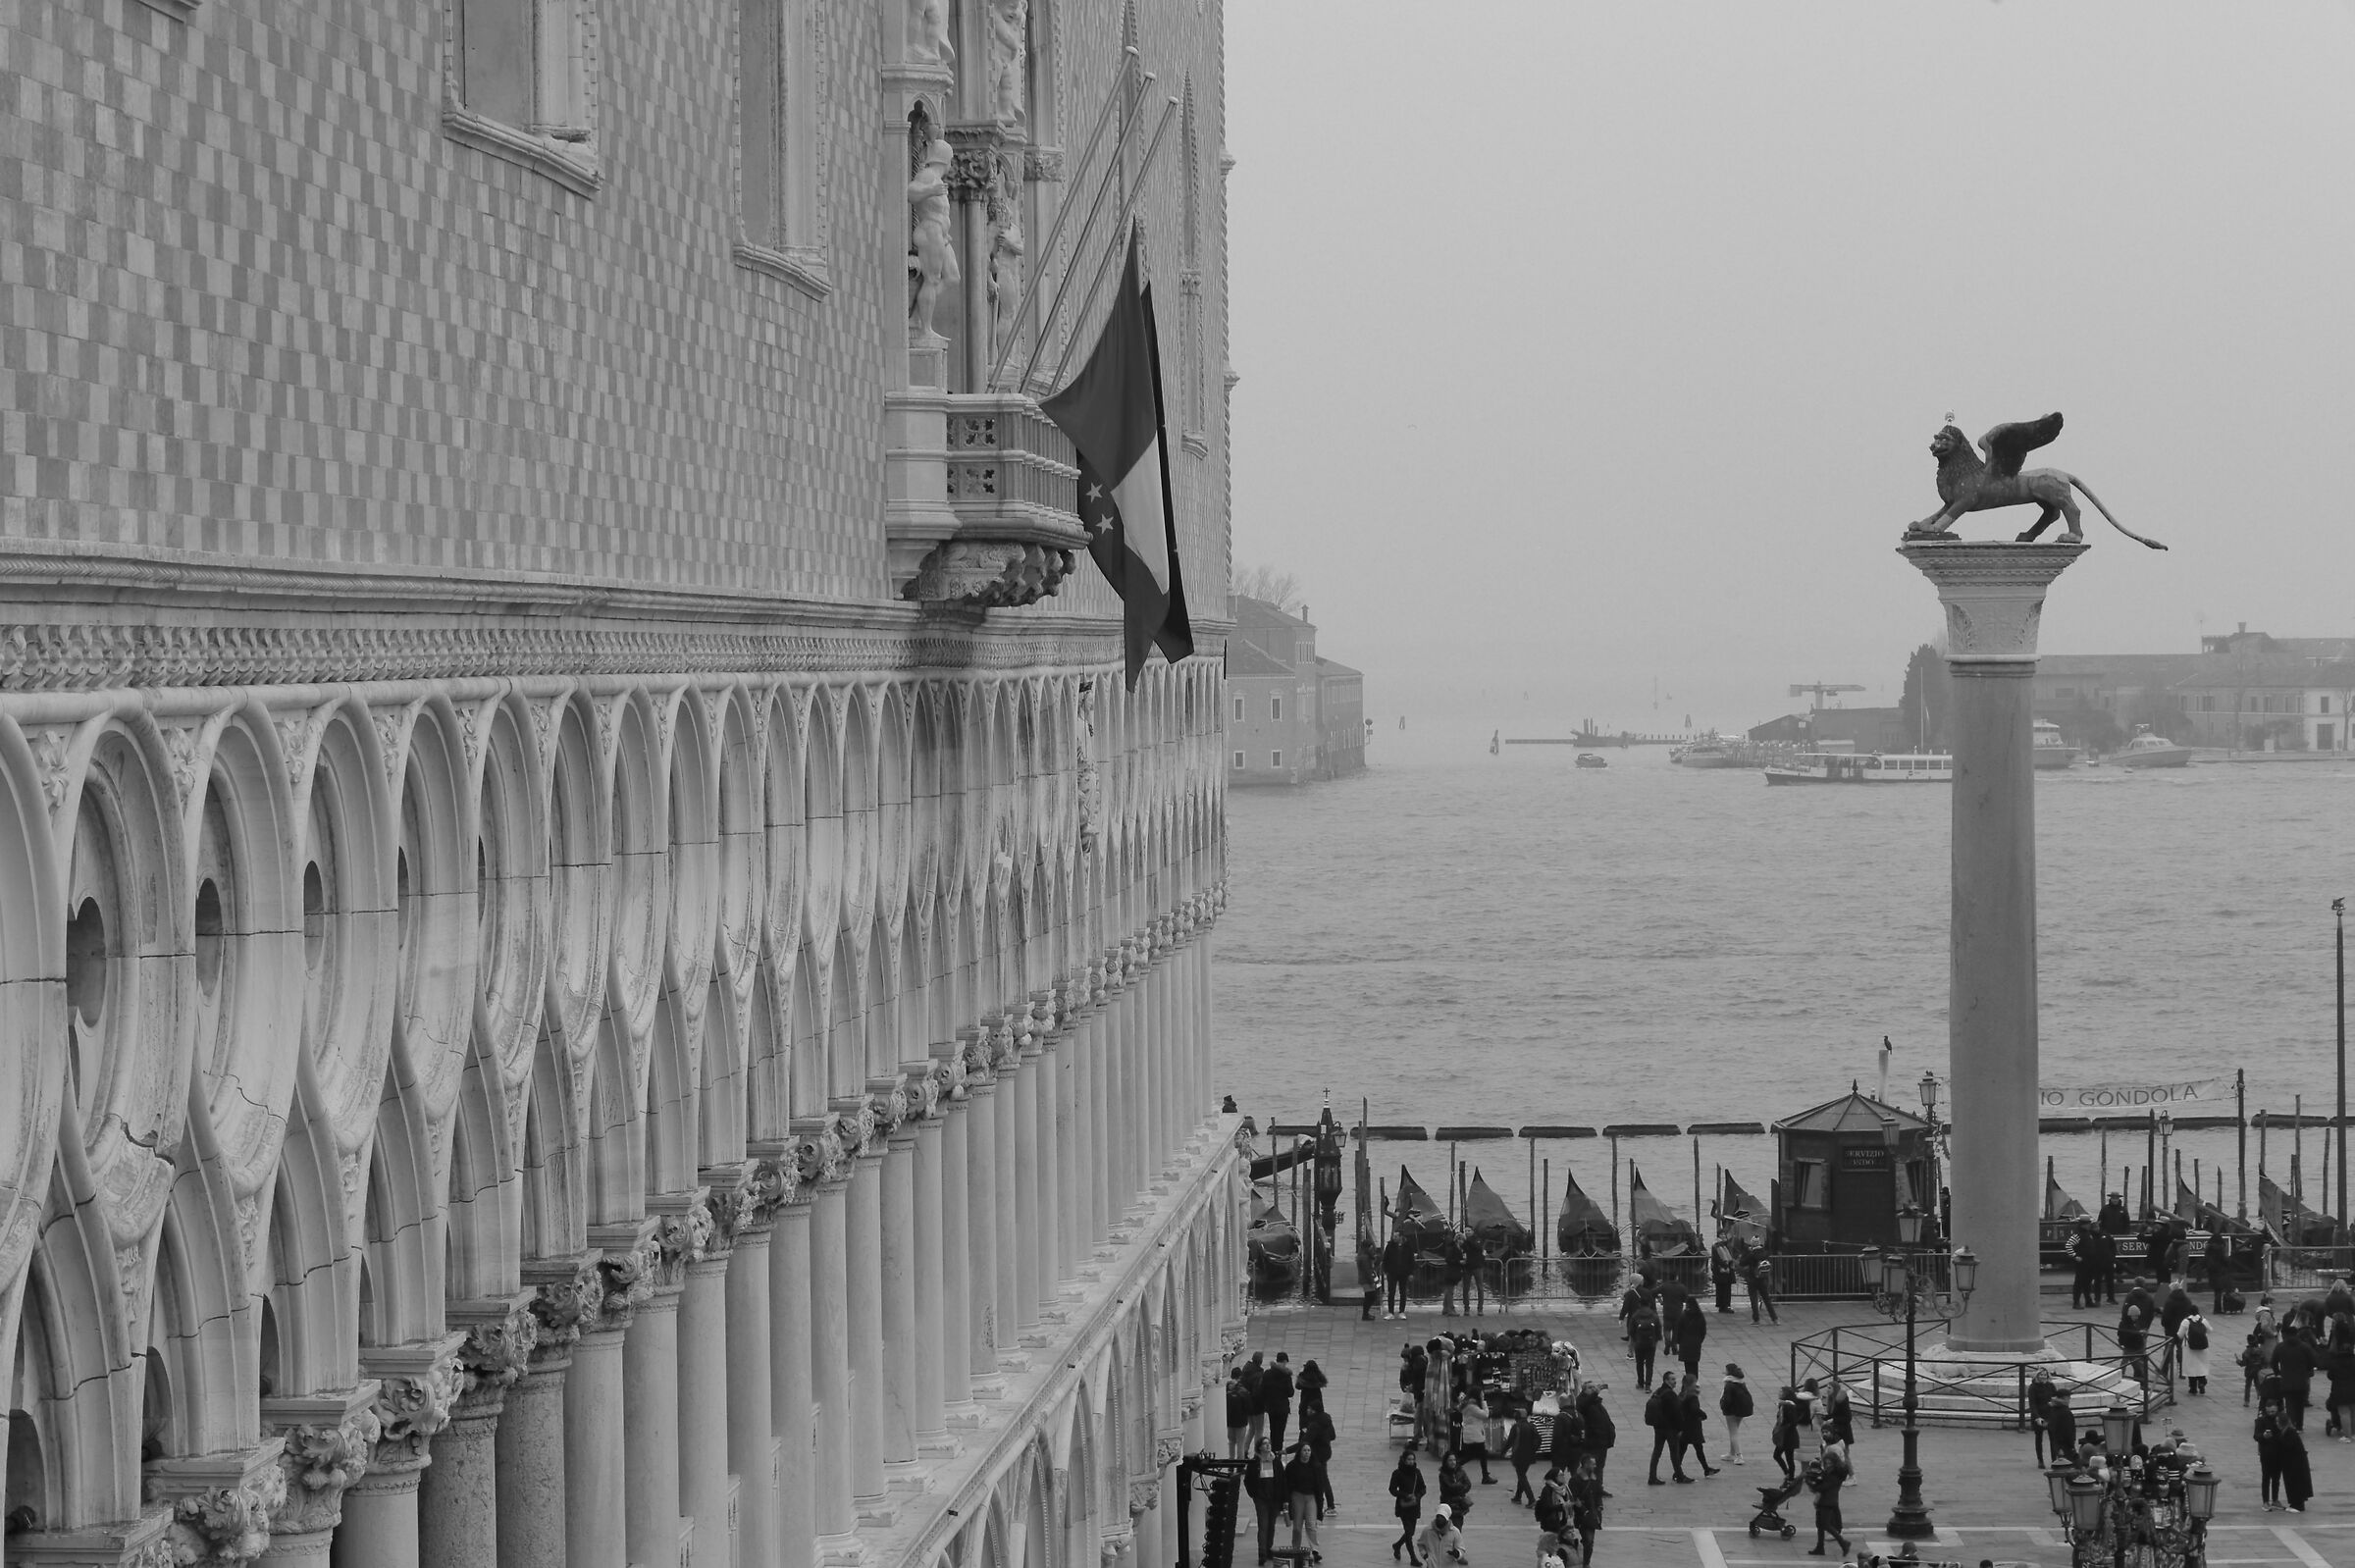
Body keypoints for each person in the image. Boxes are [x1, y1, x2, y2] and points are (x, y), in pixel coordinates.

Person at [1805, 1444, 1851, 1558]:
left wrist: (1812, 1484)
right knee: (1820, 1525)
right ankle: (1820, 1547)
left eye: (1830, 1462)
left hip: (1828, 1502)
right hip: (1825, 1501)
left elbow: (1823, 1487)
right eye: (1826, 1462)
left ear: (1834, 1463)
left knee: (1826, 1525)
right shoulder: (1830, 1472)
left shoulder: (1834, 1475)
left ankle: (1843, 1543)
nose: (1828, 1464)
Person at [1645, 1373, 1690, 1485]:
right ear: (1666, 1380)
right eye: (1672, 1379)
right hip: (1670, 1428)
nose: (1675, 1381)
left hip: (1658, 1427)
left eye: (1675, 1379)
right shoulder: (1670, 1394)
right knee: (1674, 1453)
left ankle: (1652, 1477)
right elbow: (1677, 1413)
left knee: (1657, 1452)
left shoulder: (1658, 1391)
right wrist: (1681, 1428)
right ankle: (1680, 1476)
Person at [1245, 1437, 1283, 1566]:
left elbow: (1282, 1480)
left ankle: (1268, 1549)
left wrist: (1283, 1498)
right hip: (1261, 1499)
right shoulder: (1254, 1463)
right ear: (1259, 1447)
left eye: (1269, 1443)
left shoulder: (1276, 1462)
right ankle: (1262, 1553)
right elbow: (1248, 1480)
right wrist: (1254, 1494)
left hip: (1274, 1499)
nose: (1268, 1446)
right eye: (1265, 1444)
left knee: (1271, 1525)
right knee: (1263, 1525)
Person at [1283, 1442, 1322, 1563]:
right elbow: (1286, 1484)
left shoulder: (1316, 1466)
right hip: (1297, 1496)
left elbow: (1319, 1486)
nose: (1306, 1453)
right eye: (1304, 1450)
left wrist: (1320, 1503)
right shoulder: (1292, 1466)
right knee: (1297, 1527)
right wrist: (1286, 1500)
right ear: (1300, 1452)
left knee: (1311, 1524)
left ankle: (1315, 1550)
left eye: (1309, 1450)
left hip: (1311, 1497)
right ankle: (1296, 1549)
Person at [1576, 1383, 1615, 1498]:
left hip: (1602, 1441)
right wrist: (1595, 1393)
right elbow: (1583, 1405)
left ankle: (1598, 1488)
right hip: (1592, 1442)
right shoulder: (1582, 1402)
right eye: (1590, 1388)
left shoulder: (1596, 1402)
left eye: (1594, 1387)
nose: (1593, 1389)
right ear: (1584, 1390)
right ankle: (1589, 1489)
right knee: (1590, 1466)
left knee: (1600, 1467)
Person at [2273, 1329, 2317, 1430]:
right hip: (2301, 1380)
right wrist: (2307, 1370)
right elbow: (2313, 1362)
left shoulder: (2280, 1347)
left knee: (2289, 1403)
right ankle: (2299, 1425)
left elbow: (2273, 1362)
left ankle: (2291, 1424)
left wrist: (2278, 1373)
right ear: (2297, 1334)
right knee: (2300, 1403)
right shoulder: (2305, 1347)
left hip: (2286, 1379)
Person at [1678, 1373, 1720, 1478]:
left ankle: (1705, 1469)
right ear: (1691, 1384)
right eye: (1695, 1382)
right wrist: (1703, 1415)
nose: (1697, 1384)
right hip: (1692, 1426)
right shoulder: (1692, 1397)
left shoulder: (1682, 1394)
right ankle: (1678, 1471)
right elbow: (1694, 1409)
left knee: (1685, 1448)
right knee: (1695, 1448)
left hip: (1684, 1425)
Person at [1388, 1450, 1428, 1562]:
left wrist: (1417, 1497)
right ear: (1404, 1460)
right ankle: (1413, 1558)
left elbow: (1423, 1488)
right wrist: (1405, 1495)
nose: (1411, 1462)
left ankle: (1397, 1545)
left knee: (1411, 1532)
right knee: (1409, 1532)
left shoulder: (1417, 1472)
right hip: (1403, 1506)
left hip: (1414, 1505)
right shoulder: (1397, 1473)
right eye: (1409, 1459)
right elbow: (1392, 1489)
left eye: (1412, 1459)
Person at [2277, 1410, 2315, 1513]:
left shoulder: (2290, 1432)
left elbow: (2289, 1446)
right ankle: (2294, 1503)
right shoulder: (2286, 1431)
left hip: (2296, 1464)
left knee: (2296, 1483)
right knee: (2292, 1483)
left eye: (2277, 1421)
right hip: (2292, 1463)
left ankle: (2298, 1505)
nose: (2276, 1423)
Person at [1261, 1351, 1297, 1455]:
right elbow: (1290, 1393)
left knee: (1273, 1430)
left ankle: (1272, 1452)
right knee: (1280, 1432)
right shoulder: (1286, 1375)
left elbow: (1262, 1389)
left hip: (1271, 1408)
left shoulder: (1267, 1373)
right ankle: (1278, 1454)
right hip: (1282, 1408)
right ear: (1285, 1361)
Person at [1455, 1389, 1494, 1484]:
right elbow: (1485, 1415)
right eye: (1481, 1394)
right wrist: (1484, 1402)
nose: (1483, 1396)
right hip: (1474, 1434)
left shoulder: (1468, 1404)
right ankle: (1453, 1466)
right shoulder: (1472, 1407)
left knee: (1475, 1455)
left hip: (1471, 1433)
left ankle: (1485, 1476)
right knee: (1476, 1455)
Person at [2255, 1398, 2286, 1511]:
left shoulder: (2280, 1419)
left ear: (2277, 1409)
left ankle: (2275, 1499)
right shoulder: (2261, 1420)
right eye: (2269, 1412)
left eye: (2273, 1411)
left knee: (2276, 1478)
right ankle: (2265, 1501)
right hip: (2266, 1453)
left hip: (2279, 1452)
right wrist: (2263, 1436)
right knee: (2266, 1477)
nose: (2271, 1414)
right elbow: (2256, 1436)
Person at [1510, 1406, 1545, 1505]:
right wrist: (1534, 1449)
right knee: (1522, 1475)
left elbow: (1510, 1441)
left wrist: (1503, 1452)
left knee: (1522, 1476)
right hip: (1529, 1456)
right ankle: (1518, 1496)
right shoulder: (1531, 1426)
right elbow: (1539, 1440)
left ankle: (1531, 1499)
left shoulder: (1516, 1427)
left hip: (1518, 1455)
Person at [1720, 1363, 1753, 1466]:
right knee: (1734, 1431)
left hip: (1731, 1410)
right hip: (1742, 1409)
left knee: (1733, 1433)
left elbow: (1727, 1399)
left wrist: (1723, 1406)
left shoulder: (1729, 1384)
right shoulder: (1740, 1382)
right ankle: (1731, 1453)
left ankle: (1739, 1456)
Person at [2176, 1306, 2213, 1396]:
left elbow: (2180, 1335)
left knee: (2191, 1367)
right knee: (2201, 1366)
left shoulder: (2186, 1321)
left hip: (2189, 1347)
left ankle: (2193, 1388)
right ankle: (2202, 1381)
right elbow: (2210, 1330)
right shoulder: (2203, 1320)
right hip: (2202, 1347)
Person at [1628, 1296, 1661, 1389]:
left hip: (1639, 1343)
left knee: (1639, 1363)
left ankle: (1640, 1382)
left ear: (1639, 1304)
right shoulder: (1654, 1315)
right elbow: (1658, 1329)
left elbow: (1631, 1331)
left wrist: (1634, 1340)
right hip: (1651, 1343)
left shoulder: (1635, 1315)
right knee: (1649, 1365)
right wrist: (1656, 1340)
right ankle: (1648, 1385)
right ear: (1649, 1304)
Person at [1771, 1385, 1803, 1479]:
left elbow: (1793, 1421)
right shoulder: (1784, 1405)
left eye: (1781, 1392)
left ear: (1786, 1394)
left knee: (1786, 1457)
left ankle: (1790, 1476)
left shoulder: (1788, 1406)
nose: (1779, 1393)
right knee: (1781, 1456)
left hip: (1788, 1436)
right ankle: (1788, 1474)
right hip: (1786, 1435)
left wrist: (1785, 1427)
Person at [1438, 1451, 1474, 1530]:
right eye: (1450, 1460)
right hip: (1448, 1505)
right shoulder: (1443, 1474)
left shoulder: (1461, 1472)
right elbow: (1449, 1488)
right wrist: (1460, 1485)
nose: (1453, 1462)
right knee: (1447, 1529)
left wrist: (1459, 1487)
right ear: (1446, 1462)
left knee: (1457, 1529)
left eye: (1454, 1460)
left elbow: (1468, 1484)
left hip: (1459, 1506)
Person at [2027, 1369, 2057, 1467]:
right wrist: (2037, 1417)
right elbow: (2032, 1404)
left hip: (2050, 1414)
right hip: (2039, 1415)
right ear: (2037, 1376)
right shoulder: (2033, 1387)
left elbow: (2055, 1397)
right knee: (2039, 1438)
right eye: (2041, 1375)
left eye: (2045, 1375)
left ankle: (2054, 1460)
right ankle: (2040, 1460)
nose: (2043, 1377)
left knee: (2053, 1438)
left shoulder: (2051, 1386)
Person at [1675, 1297, 1707, 1382]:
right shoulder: (1700, 1316)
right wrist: (1699, 1340)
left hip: (1685, 1343)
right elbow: (1703, 1331)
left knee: (1687, 1364)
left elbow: (1678, 1330)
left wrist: (1678, 1341)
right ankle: (1695, 1381)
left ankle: (1689, 1380)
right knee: (1694, 1364)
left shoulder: (1683, 1316)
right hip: (1696, 1343)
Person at [1385, 1230, 1415, 1319]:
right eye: (1393, 1236)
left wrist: (1411, 1273)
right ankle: (1390, 1312)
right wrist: (1386, 1271)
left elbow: (1411, 1260)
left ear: (1401, 1237)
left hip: (1404, 1273)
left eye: (1396, 1236)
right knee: (1391, 1293)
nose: (1394, 1238)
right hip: (1392, 1273)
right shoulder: (1390, 1246)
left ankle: (1402, 1311)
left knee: (1403, 1292)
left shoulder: (1408, 1246)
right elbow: (1385, 1259)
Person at [1747, 1249, 1779, 1325]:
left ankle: (1756, 1319)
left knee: (1754, 1300)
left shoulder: (1751, 1254)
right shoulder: (1764, 1253)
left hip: (1752, 1279)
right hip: (1762, 1279)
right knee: (1767, 1300)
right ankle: (1775, 1319)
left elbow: (1742, 1262)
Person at [1227, 1370, 1253, 1459]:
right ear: (1240, 1377)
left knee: (1231, 1442)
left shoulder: (1226, 1389)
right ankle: (1240, 1462)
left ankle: (1231, 1460)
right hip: (1241, 1421)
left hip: (1229, 1421)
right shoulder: (1243, 1391)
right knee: (1240, 1443)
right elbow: (1249, 1407)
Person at [1711, 1231, 1740, 1314]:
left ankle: (1723, 1305)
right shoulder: (1717, 1246)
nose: (1723, 1236)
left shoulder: (1724, 1245)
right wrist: (1725, 1265)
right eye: (1721, 1234)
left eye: (1724, 1234)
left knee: (1724, 1288)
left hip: (1725, 1270)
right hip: (1721, 1270)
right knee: (1723, 1288)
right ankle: (1724, 1306)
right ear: (1718, 1236)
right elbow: (1717, 1258)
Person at [2048, 1385, 2075, 1469]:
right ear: (2065, 1398)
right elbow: (2068, 1430)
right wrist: (2071, 1444)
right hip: (2065, 1445)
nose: (2070, 1399)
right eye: (2069, 1397)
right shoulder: (2065, 1412)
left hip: (2057, 1443)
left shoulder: (2054, 1409)